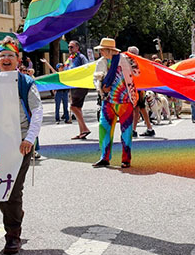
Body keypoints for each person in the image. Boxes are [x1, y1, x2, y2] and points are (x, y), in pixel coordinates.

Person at [0, 37, 42, 254]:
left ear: (18, 59)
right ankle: (16, 214)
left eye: (10, 55)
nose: (6, 59)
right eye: (2, 55)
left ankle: (12, 235)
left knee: (13, 189)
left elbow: (37, 111)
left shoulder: (26, 83)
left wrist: (30, 139)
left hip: (20, 144)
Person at [91, 38, 137, 169]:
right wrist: (100, 87)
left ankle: (126, 159)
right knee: (103, 127)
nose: (101, 52)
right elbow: (95, 78)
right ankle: (104, 157)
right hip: (108, 100)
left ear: (109, 50)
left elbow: (136, 73)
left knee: (126, 131)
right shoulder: (101, 62)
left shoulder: (125, 60)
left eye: (102, 50)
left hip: (125, 100)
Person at [60, 40, 91, 139]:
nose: (70, 49)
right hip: (72, 86)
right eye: (69, 47)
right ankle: (82, 132)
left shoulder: (81, 57)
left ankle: (85, 129)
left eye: (72, 47)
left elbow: (87, 67)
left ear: (77, 48)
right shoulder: (70, 59)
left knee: (73, 107)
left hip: (80, 85)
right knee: (78, 108)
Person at [125, 46, 155, 137]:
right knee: (140, 107)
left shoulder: (133, 61)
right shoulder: (140, 61)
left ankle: (134, 130)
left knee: (137, 108)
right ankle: (148, 128)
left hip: (136, 87)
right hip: (140, 88)